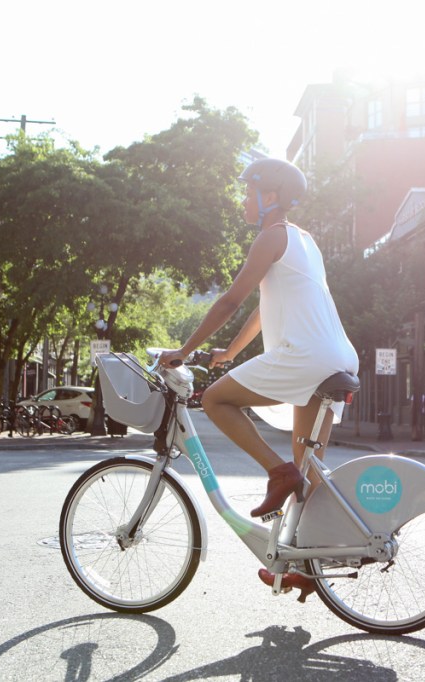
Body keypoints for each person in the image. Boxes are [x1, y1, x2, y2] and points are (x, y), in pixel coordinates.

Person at [158, 158, 358, 601]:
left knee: (215, 401)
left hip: (305, 356)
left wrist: (184, 352)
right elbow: (261, 307)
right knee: (310, 473)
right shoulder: (303, 240)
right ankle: (308, 564)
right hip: (336, 355)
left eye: (248, 192)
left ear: (270, 197)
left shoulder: (272, 236)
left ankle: (276, 472)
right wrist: (230, 352)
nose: (243, 200)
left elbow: (231, 300)